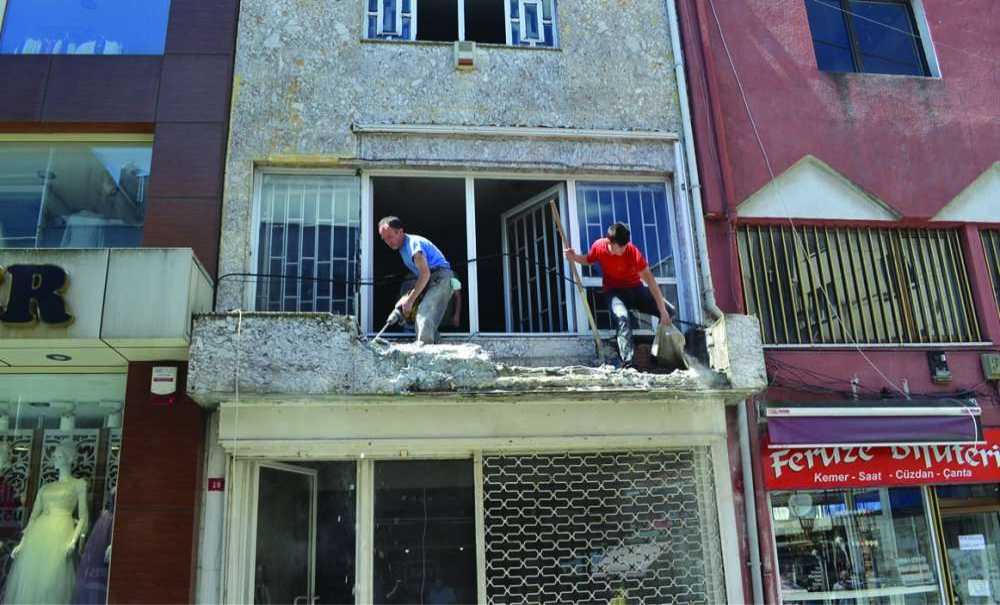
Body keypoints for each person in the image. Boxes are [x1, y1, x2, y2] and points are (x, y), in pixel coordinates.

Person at [564, 222, 674, 368]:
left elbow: (651, 282)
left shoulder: (632, 252)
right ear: (610, 242)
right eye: (620, 246)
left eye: (625, 245)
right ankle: (628, 363)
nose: (624, 249)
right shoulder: (599, 246)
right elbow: (588, 260)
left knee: (669, 311)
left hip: (636, 290)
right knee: (622, 317)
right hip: (614, 292)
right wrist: (574, 257)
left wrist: (662, 311)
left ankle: (657, 355)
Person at [378, 216, 455, 344]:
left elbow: (425, 274)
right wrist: (406, 299)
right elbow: (423, 277)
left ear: (400, 231)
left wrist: (411, 299)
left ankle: (424, 350)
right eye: (384, 239)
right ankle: (433, 345)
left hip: (441, 277)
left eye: (390, 236)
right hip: (431, 279)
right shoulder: (402, 249)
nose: (388, 241)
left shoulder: (414, 246)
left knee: (424, 312)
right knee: (412, 308)